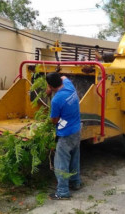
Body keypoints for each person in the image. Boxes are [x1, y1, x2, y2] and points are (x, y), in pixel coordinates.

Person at [46, 72, 82, 200]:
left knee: (61, 163)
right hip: (77, 129)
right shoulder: (69, 85)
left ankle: (62, 192)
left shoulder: (56, 100)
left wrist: (48, 91)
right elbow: (64, 77)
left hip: (66, 133)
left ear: (50, 85)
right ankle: (75, 182)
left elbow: (54, 120)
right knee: (74, 158)